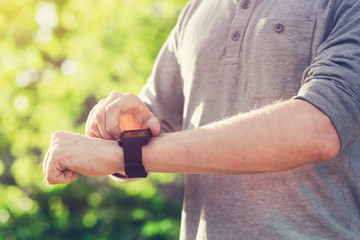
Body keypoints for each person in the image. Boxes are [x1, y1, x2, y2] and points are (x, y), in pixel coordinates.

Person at [43, 0, 360, 239]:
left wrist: (125, 154)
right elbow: (153, 131)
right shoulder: (197, 10)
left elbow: (317, 130)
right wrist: (119, 130)